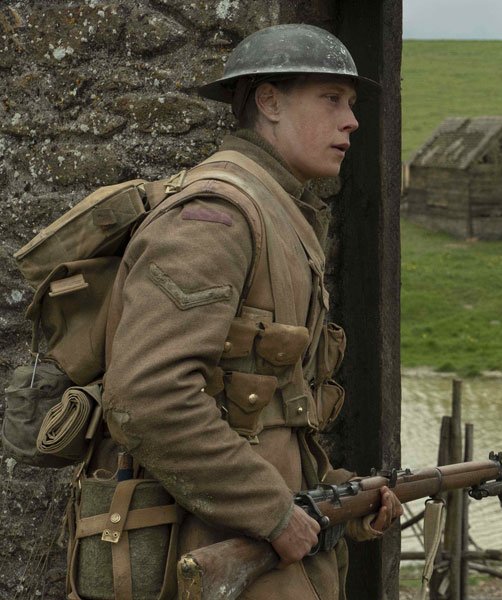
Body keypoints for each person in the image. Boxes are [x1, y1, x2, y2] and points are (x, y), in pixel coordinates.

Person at [78, 24, 400, 600]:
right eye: (331, 99)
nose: (351, 120)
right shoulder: (215, 218)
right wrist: (274, 512)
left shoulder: (280, 212)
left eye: (351, 104)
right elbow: (148, 397)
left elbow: (266, 413)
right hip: (201, 546)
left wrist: (337, 497)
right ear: (269, 101)